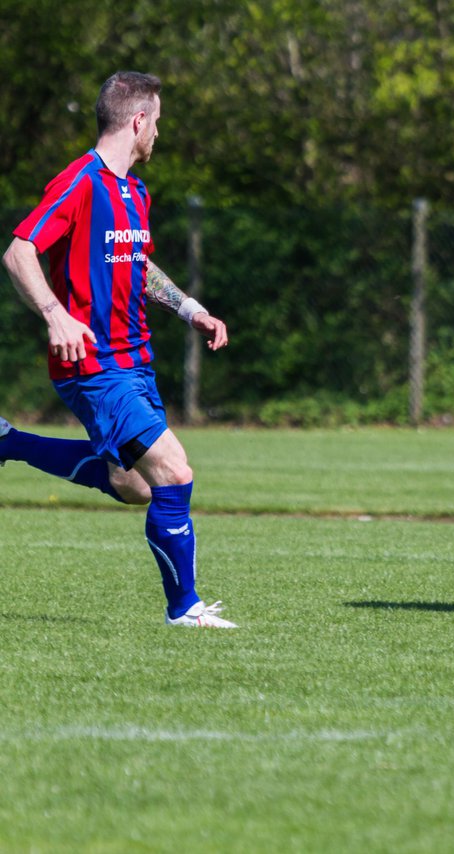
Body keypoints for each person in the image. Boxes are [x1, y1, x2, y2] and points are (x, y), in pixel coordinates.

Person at [1, 71, 236, 628]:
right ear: (138, 121)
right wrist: (55, 315)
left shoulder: (135, 191)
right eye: (157, 122)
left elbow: (137, 265)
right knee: (175, 474)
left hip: (135, 362)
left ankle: (8, 441)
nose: (159, 134)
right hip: (95, 366)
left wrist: (189, 309)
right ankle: (186, 610)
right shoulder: (80, 181)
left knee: (132, 486)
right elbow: (19, 251)